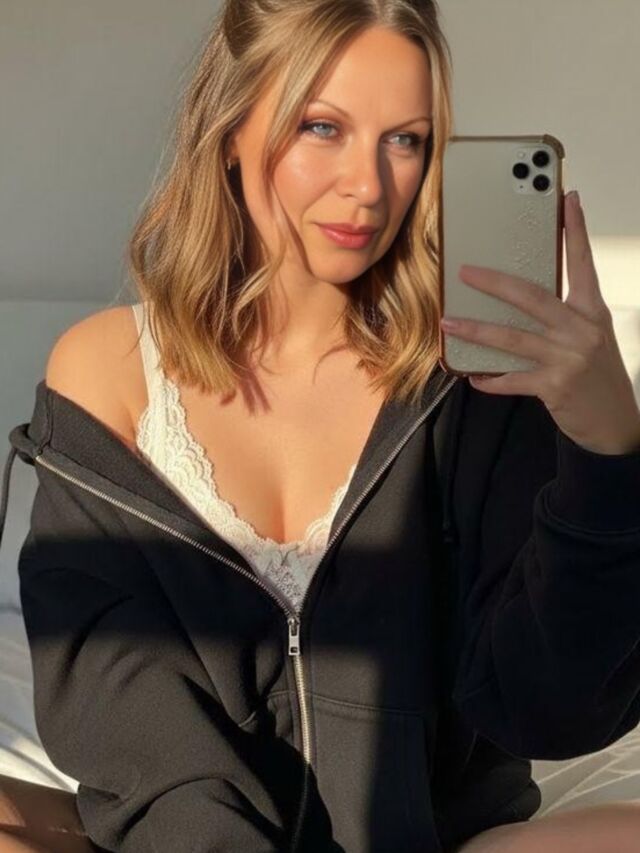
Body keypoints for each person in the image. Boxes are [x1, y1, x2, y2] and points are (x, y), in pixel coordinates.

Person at [1, 1, 640, 851]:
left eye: (405, 140)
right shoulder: (107, 372)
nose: (369, 187)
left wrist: (606, 453)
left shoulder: (478, 381)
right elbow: (123, 698)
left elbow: (548, 707)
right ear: (231, 126)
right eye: (322, 127)